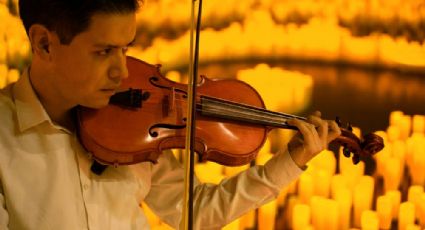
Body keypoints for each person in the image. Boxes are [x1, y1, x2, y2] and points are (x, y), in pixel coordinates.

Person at [0, 0, 341, 229]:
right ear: (44, 43)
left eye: (125, 49)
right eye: (103, 52)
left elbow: (194, 210)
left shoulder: (133, 125)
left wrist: (290, 161)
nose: (121, 71)